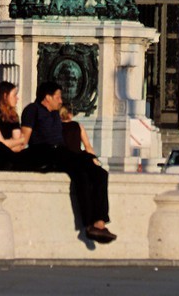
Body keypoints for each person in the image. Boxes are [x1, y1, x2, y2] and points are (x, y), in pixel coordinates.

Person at [19, 80, 115, 244]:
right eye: (58, 97)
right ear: (47, 97)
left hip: (61, 151)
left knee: (99, 172)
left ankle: (100, 221)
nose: (60, 101)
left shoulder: (55, 113)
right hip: (44, 152)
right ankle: (89, 224)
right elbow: (24, 139)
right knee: (81, 174)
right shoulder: (32, 110)